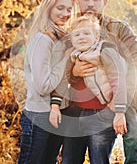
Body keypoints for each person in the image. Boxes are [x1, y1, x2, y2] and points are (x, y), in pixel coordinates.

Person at [70, 0, 137, 163]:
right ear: (78, 0)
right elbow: (59, 68)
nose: (90, 3)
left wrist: (119, 99)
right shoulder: (71, 29)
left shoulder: (118, 28)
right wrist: (74, 72)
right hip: (81, 109)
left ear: (104, 2)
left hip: (118, 100)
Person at [55, 13, 129, 164]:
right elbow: (62, 80)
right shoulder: (72, 56)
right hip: (75, 115)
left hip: (101, 115)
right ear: (72, 40)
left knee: (98, 160)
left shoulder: (105, 51)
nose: (81, 37)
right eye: (77, 34)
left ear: (96, 37)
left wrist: (120, 112)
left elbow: (119, 80)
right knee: (69, 159)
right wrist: (55, 105)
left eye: (87, 33)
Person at [17, 0, 75, 164]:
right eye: (60, 8)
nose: (65, 13)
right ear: (48, 8)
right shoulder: (43, 39)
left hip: (57, 113)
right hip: (39, 114)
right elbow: (43, 86)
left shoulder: (61, 37)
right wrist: (65, 60)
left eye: (69, 9)